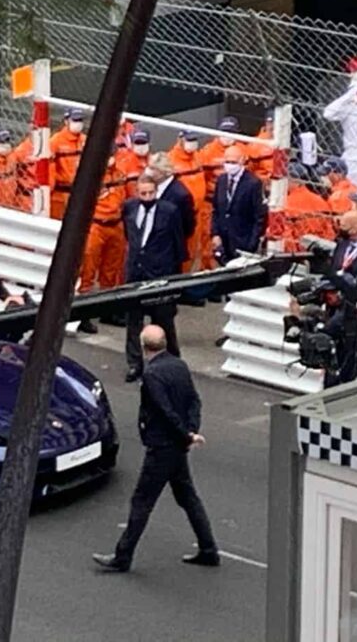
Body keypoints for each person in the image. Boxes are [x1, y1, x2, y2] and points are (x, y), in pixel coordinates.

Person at [92, 325, 218, 572]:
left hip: (162, 447)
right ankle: (208, 549)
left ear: (143, 346)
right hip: (178, 446)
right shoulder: (179, 365)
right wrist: (191, 431)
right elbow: (194, 400)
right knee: (187, 496)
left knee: (142, 501)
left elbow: (164, 410)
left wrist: (185, 434)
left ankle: (123, 556)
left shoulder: (152, 375)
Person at [123, 175, 185, 382]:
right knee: (133, 322)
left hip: (160, 274)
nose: (147, 197)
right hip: (136, 273)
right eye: (143, 193)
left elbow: (178, 244)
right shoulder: (129, 208)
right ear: (137, 192)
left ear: (156, 192)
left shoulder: (170, 211)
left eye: (151, 193)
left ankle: (172, 362)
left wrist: (174, 278)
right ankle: (134, 364)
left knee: (164, 321)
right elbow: (129, 236)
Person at [77, 148, 127, 334]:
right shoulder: (91, 175)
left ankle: (107, 310)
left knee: (111, 271)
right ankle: (83, 314)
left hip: (116, 225)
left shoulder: (120, 174)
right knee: (88, 270)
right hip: (95, 225)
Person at [211, 145, 266, 264]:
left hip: (243, 242)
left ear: (242, 161)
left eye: (233, 162)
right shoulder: (222, 180)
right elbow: (216, 210)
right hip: (223, 242)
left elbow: (259, 217)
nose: (230, 165)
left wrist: (252, 244)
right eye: (227, 162)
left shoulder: (253, 183)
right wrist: (215, 234)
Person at [197, 120, 239, 270]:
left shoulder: (242, 150)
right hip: (211, 203)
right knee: (209, 242)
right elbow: (202, 178)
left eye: (231, 132)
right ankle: (208, 273)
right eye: (224, 132)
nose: (227, 136)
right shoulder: (207, 152)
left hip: (234, 205)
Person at [168, 130, 206, 272]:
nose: (192, 143)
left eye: (194, 140)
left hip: (198, 212)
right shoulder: (171, 160)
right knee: (180, 251)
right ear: (180, 139)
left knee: (195, 250)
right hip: (179, 215)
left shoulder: (198, 157)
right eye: (189, 140)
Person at [281, 162, 334, 252]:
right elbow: (329, 230)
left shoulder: (286, 203)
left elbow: (287, 233)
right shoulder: (320, 200)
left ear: (294, 180)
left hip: (298, 249)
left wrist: (294, 253)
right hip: (320, 249)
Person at [148, 152, 196, 245]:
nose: (149, 172)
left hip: (169, 248)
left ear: (163, 171)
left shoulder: (180, 195)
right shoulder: (152, 187)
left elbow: (188, 227)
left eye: (153, 169)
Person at [49, 108, 87, 219]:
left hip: (79, 192)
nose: (78, 123)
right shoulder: (56, 141)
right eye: (75, 120)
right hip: (60, 192)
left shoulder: (85, 140)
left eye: (80, 120)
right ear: (66, 121)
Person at [246, 109, 276, 188]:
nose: (272, 125)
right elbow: (250, 171)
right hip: (262, 185)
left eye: (275, 122)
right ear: (266, 123)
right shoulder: (255, 144)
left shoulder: (285, 140)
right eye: (270, 122)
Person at [117, 128, 150, 199]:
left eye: (143, 143)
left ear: (149, 144)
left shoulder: (153, 161)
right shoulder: (124, 163)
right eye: (137, 143)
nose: (141, 146)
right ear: (132, 144)